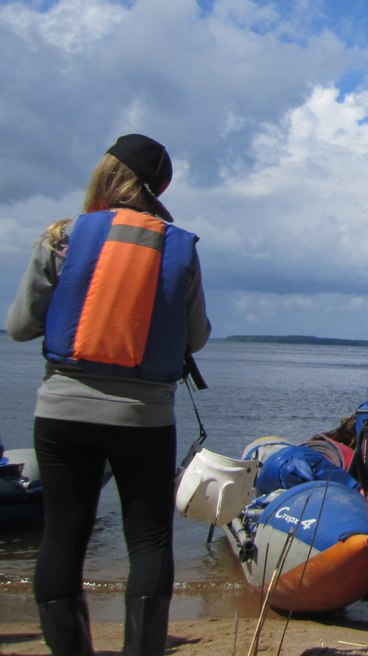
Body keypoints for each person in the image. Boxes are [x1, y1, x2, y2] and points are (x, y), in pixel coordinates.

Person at [6, 134, 212, 656]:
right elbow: (196, 336)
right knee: (148, 541)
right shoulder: (178, 245)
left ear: (105, 174)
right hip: (144, 418)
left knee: (63, 534)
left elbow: (20, 327)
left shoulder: (63, 237)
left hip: (63, 412)